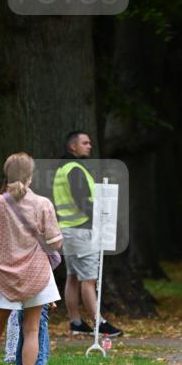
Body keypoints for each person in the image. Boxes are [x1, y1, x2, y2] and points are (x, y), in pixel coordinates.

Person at [0, 153, 63, 365]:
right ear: (30, 176)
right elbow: (55, 244)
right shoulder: (43, 204)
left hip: (3, 277)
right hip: (37, 275)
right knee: (31, 330)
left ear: (7, 174)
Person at [53, 130, 122, 338]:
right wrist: (100, 223)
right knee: (89, 279)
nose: (89, 146)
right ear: (72, 146)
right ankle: (98, 323)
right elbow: (84, 201)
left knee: (73, 277)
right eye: (85, 143)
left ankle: (75, 322)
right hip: (83, 230)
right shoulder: (75, 169)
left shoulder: (61, 170)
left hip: (68, 230)